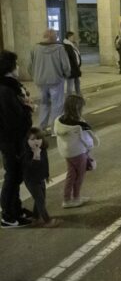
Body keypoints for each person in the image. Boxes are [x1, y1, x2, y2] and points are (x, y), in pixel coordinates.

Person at [0, 50, 34, 228]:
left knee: (17, 175)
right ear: (10, 67)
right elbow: (13, 118)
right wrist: (28, 109)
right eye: (16, 63)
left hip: (14, 139)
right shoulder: (5, 90)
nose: (18, 66)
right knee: (12, 176)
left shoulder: (11, 86)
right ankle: (7, 215)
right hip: (10, 140)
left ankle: (16, 208)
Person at [54, 94, 98, 208]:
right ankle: (76, 197)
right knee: (79, 176)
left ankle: (67, 199)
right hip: (79, 153)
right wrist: (91, 146)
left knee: (71, 175)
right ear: (78, 108)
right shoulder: (80, 124)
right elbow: (88, 139)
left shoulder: (59, 120)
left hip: (67, 153)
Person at [30, 29, 71, 132]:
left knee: (44, 104)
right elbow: (66, 66)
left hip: (40, 81)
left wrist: (35, 76)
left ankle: (42, 128)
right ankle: (55, 129)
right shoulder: (60, 48)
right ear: (54, 37)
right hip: (56, 80)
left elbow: (30, 66)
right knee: (57, 105)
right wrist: (66, 75)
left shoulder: (35, 48)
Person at [23, 127, 60, 227]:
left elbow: (45, 163)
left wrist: (47, 175)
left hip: (40, 178)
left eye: (37, 139)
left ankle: (35, 217)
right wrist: (35, 154)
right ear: (27, 140)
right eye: (32, 139)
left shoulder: (42, 149)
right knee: (40, 200)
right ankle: (47, 220)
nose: (35, 142)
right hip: (31, 180)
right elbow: (30, 167)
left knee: (41, 199)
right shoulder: (27, 153)